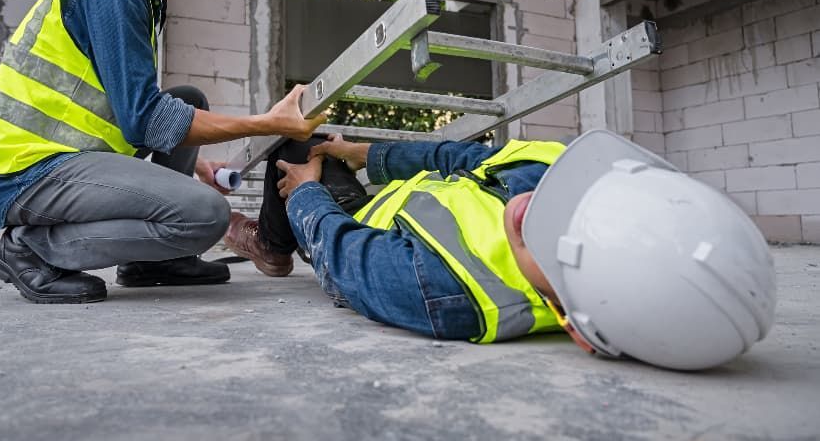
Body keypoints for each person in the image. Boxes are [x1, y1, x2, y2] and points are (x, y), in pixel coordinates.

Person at [0, 0, 324, 304]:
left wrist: (194, 162)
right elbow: (145, 121)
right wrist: (271, 123)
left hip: (58, 157)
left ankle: (154, 262)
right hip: (20, 171)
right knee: (206, 215)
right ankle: (29, 248)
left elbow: (124, 104)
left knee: (189, 96)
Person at [224, 130, 777, 370]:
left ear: (576, 324)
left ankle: (272, 247)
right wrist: (363, 151)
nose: (533, 207)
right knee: (314, 139)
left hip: (360, 219)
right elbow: (456, 156)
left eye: (556, 231)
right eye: (573, 197)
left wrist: (307, 193)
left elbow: (345, 256)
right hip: (395, 196)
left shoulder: (453, 294)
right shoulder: (559, 168)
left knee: (293, 150)